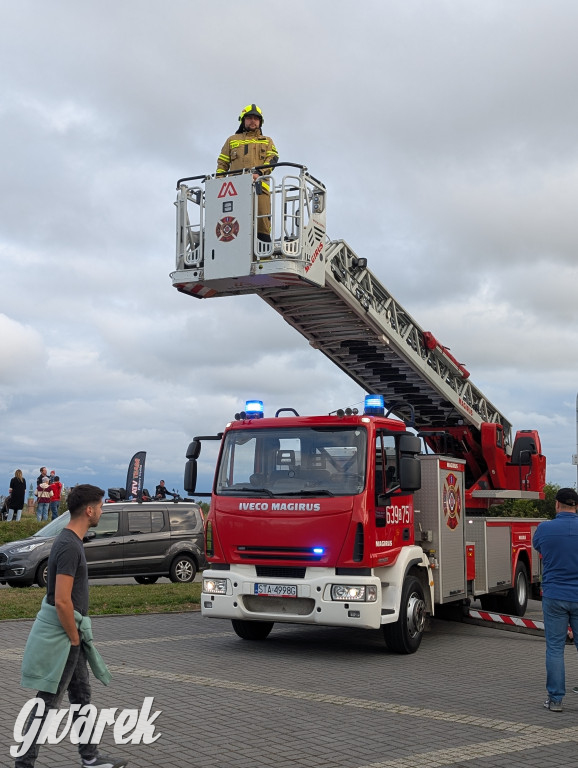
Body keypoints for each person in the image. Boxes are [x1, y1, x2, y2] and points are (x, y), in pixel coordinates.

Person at [15, 484, 126, 768]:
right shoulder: (68, 545)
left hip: (71, 634)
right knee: (48, 702)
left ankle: (90, 757)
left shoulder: (70, 541)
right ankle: (24, 763)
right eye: (100, 506)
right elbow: (62, 600)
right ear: (89, 510)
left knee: (81, 696)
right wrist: (74, 637)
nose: (102, 511)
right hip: (65, 635)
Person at [533, 487, 578, 712]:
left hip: (554, 596)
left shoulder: (545, 529)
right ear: (576, 506)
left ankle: (556, 700)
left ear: (557, 505)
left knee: (555, 649)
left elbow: (538, 547)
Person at [217, 104, 278, 241]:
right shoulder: (232, 140)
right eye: (249, 118)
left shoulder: (267, 141)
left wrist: (259, 173)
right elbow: (222, 164)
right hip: (234, 190)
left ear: (260, 122)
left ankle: (263, 254)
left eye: (256, 119)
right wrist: (218, 184)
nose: (253, 121)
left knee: (262, 220)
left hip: (260, 188)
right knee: (234, 221)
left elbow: (273, 158)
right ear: (243, 120)